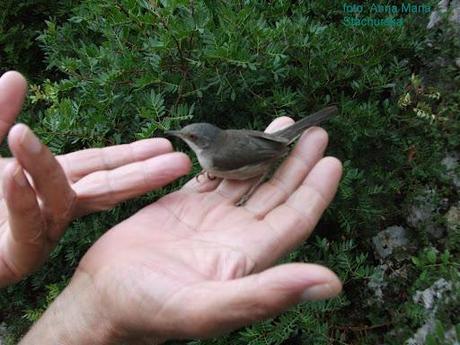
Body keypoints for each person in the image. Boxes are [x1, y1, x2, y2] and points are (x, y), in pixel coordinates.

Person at [0, 71, 343, 344]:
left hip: (264, 152)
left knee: (256, 168)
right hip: (258, 143)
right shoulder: (213, 152)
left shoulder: (218, 155)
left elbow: (263, 157)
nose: (184, 137)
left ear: (204, 142)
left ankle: (296, 138)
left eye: (190, 138)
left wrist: (251, 183)